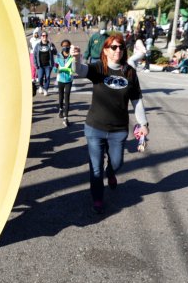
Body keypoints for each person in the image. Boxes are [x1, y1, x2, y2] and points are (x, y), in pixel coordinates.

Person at [70, 33, 149, 214]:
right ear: (105, 50)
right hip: (94, 128)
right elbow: (80, 70)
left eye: (121, 47)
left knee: (117, 162)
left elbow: (136, 100)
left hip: (118, 130)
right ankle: (98, 198)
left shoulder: (129, 72)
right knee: (95, 169)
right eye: (113, 47)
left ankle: (111, 172)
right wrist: (75, 59)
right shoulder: (99, 68)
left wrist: (143, 123)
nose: (118, 50)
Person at [54, 39, 74, 126]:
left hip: (69, 80)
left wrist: (70, 70)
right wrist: (56, 68)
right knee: (61, 96)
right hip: (60, 79)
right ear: (61, 47)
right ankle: (61, 109)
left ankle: (66, 118)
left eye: (67, 46)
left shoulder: (72, 57)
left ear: (70, 46)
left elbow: (74, 69)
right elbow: (55, 69)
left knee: (67, 98)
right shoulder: (58, 56)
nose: (65, 47)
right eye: (64, 46)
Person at [33, 30, 57, 95]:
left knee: (47, 77)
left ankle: (46, 89)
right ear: (41, 37)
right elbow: (34, 55)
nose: (44, 37)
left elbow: (55, 52)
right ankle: (41, 86)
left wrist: (52, 49)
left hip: (48, 65)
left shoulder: (50, 44)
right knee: (40, 78)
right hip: (40, 65)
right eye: (43, 36)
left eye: (46, 36)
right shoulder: (37, 45)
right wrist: (35, 64)